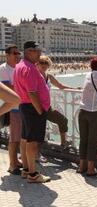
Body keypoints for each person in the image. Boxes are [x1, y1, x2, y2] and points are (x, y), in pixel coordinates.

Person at [13, 41, 51, 183]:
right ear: (29, 52)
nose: (40, 53)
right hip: (32, 108)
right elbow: (32, 93)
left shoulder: (20, 66)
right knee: (33, 142)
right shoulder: (29, 68)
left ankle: (27, 170)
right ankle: (33, 174)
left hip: (24, 106)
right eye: (37, 51)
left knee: (26, 139)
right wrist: (40, 110)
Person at [36, 55, 80, 148]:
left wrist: (75, 88)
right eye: (42, 62)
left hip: (47, 108)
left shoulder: (49, 77)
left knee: (62, 120)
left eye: (46, 63)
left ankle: (64, 143)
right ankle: (35, 154)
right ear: (37, 64)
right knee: (37, 131)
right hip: (36, 107)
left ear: (49, 65)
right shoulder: (35, 76)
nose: (44, 65)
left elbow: (60, 86)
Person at [0, 44, 22, 175]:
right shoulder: (3, 68)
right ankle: (12, 165)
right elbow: (8, 88)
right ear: (7, 55)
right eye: (14, 53)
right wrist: (23, 87)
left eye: (18, 53)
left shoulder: (18, 68)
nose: (17, 55)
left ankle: (16, 161)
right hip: (12, 108)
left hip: (21, 107)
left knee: (19, 137)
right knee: (13, 138)